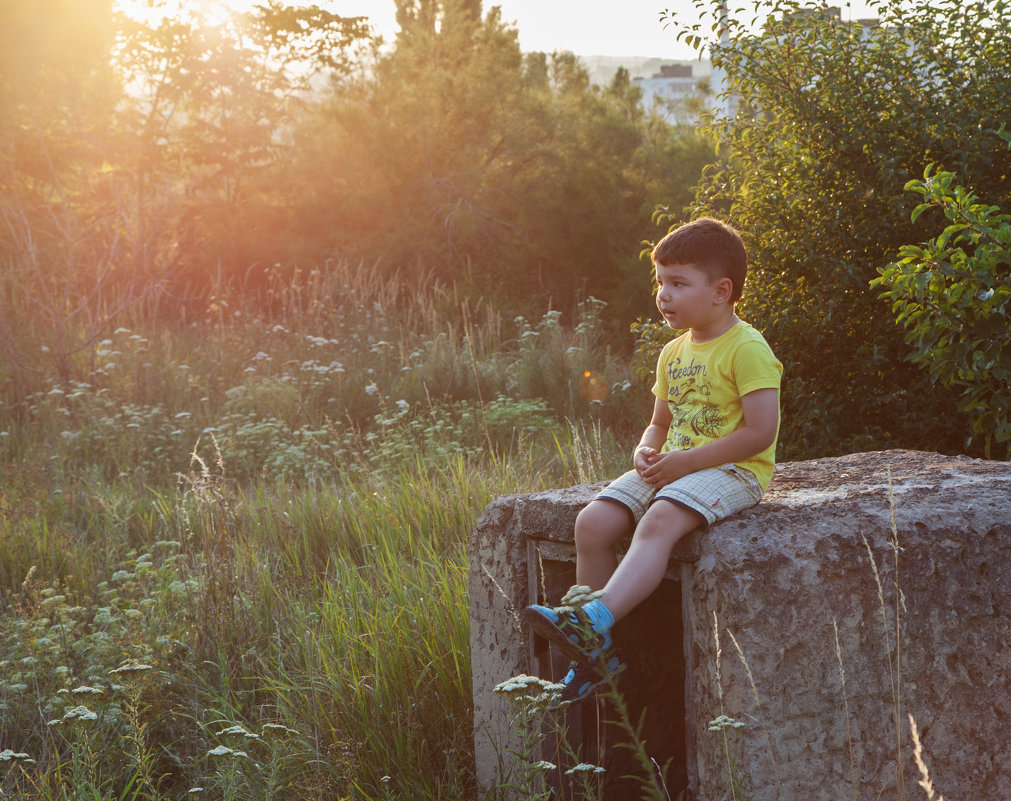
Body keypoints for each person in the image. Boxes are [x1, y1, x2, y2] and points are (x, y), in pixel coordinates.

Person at [523, 217, 783, 704]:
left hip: (734, 470)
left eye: (678, 283)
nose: (663, 295)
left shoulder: (747, 348)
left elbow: (760, 432)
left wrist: (685, 463)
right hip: (676, 464)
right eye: (660, 282)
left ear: (721, 291)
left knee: (659, 519)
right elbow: (661, 422)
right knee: (593, 522)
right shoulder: (672, 353)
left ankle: (593, 617)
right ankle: (595, 658)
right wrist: (646, 449)